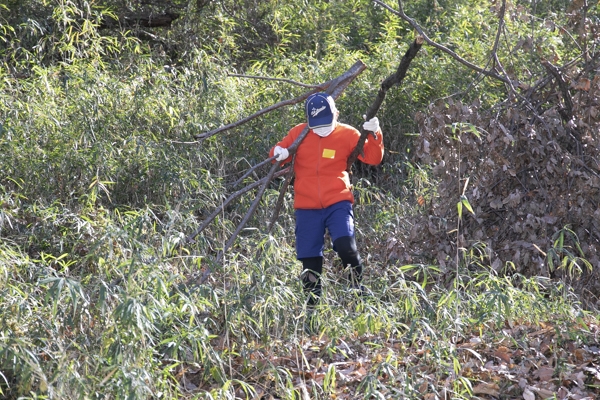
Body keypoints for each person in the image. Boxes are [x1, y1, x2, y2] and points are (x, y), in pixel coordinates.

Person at [269, 92, 384, 308]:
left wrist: (374, 134)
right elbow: (276, 153)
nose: (322, 130)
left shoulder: (348, 134)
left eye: (326, 123)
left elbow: (373, 158)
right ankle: (312, 310)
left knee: (345, 243)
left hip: (338, 201)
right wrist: (280, 153)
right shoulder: (299, 133)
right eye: (317, 125)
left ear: (336, 114)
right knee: (309, 259)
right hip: (306, 206)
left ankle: (359, 295)